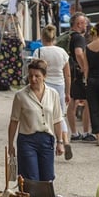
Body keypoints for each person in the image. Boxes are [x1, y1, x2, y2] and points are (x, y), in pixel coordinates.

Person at [7, 58, 64, 197]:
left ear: (44, 76)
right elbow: (14, 121)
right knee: (31, 178)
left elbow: (57, 119)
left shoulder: (52, 94)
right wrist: (11, 144)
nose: (33, 79)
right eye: (30, 76)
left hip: (46, 140)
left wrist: (60, 142)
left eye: (37, 76)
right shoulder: (21, 95)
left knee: (46, 178)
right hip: (27, 140)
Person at [33, 24, 71, 159]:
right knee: (59, 115)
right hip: (59, 85)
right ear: (54, 38)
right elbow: (67, 74)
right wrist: (68, 92)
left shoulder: (39, 52)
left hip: (44, 86)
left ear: (42, 37)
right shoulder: (62, 52)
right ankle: (65, 141)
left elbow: (35, 73)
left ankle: (49, 142)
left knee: (44, 115)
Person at [65, 13, 91, 142]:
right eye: (84, 23)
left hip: (69, 72)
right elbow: (79, 53)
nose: (86, 25)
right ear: (79, 24)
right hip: (78, 73)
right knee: (88, 101)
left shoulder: (68, 35)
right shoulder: (79, 38)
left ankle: (74, 133)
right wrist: (85, 68)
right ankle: (86, 132)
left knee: (72, 101)